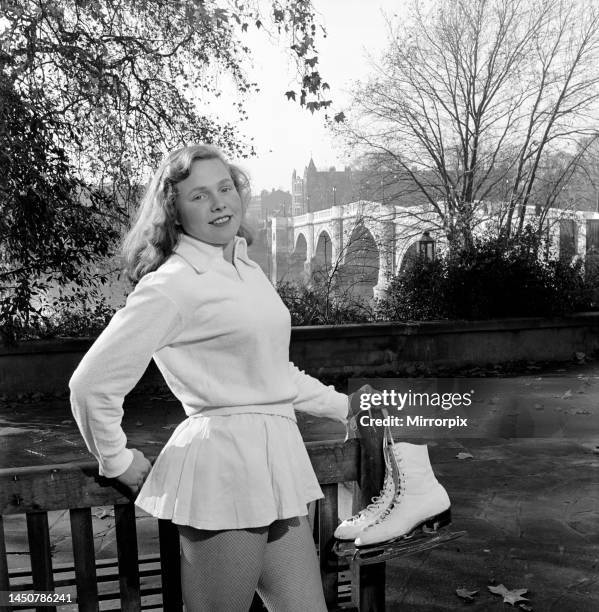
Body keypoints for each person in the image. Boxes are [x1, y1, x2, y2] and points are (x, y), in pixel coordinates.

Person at [69, 144, 352, 612]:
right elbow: (90, 383)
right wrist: (116, 461)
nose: (220, 202)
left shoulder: (245, 268)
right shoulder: (172, 284)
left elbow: (271, 372)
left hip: (274, 459)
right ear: (174, 212)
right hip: (225, 468)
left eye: (226, 187)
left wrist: (344, 407)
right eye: (199, 195)